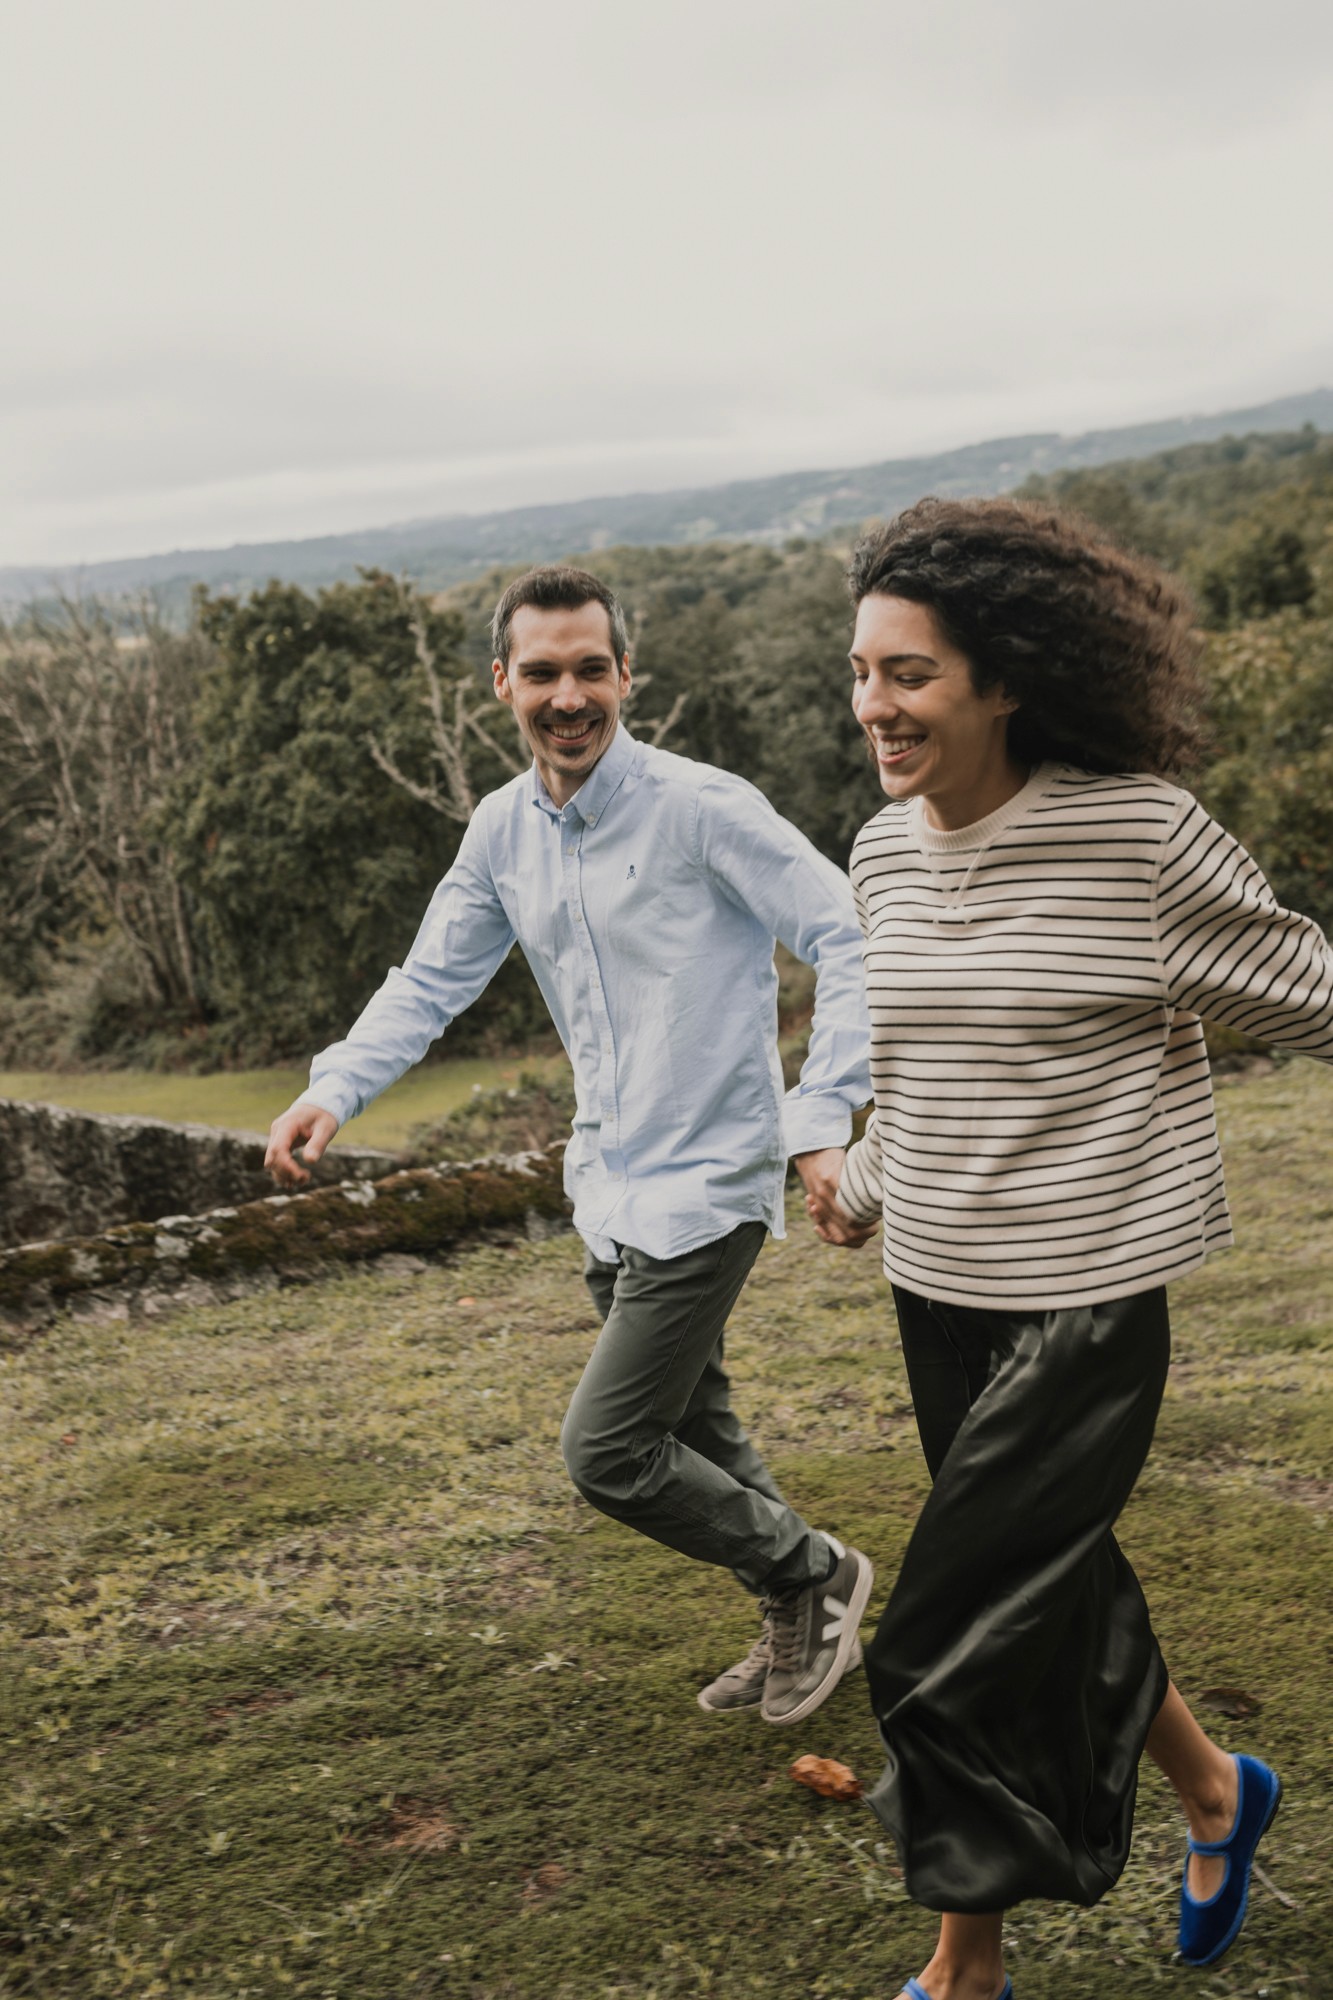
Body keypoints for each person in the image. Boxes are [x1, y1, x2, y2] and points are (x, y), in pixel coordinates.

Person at [803, 498, 1331, 2000]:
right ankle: (1221, 1795)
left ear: (1004, 679)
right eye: (861, 672)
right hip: (939, 1297)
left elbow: (1312, 989)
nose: (873, 707)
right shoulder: (881, 857)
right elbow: (917, 1070)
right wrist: (866, 1179)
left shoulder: (1136, 838)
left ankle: (963, 1971)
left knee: (942, 1639)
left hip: (1082, 1309)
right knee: (1055, 1585)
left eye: (908, 676)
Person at [266, 563, 876, 1724]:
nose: (568, 694)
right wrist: (334, 1089)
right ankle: (798, 1602)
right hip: (606, 1186)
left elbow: (846, 932)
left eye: (589, 667)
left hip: (711, 1180)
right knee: (695, 1422)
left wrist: (816, 1116)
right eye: (541, 670)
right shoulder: (502, 830)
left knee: (607, 1448)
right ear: (502, 682)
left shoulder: (702, 807)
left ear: (624, 674)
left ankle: (814, 1571)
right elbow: (430, 977)